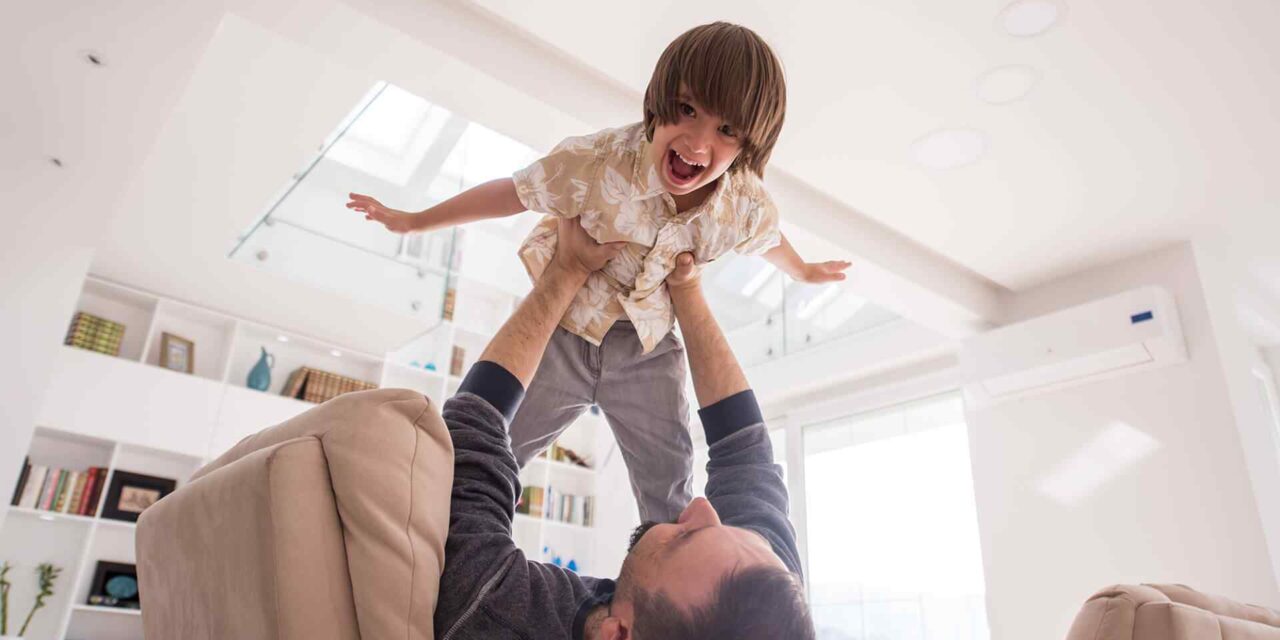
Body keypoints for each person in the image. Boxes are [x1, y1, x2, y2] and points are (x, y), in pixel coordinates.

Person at [348, 22, 849, 523]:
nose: (697, 142)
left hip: (647, 351)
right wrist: (416, 221)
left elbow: (769, 240)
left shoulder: (742, 204)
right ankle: (436, 538)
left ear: (749, 146)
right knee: (479, 456)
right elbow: (512, 192)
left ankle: (658, 591)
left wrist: (802, 271)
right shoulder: (596, 162)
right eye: (688, 111)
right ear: (659, 102)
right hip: (564, 330)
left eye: (726, 131)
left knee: (671, 493)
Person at [435, 216, 814, 639]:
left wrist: (566, 271)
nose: (703, 508)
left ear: (616, 634)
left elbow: (470, 433)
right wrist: (686, 290)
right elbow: (747, 457)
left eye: (685, 537)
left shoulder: (495, 609)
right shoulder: (762, 595)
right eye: (723, 527)